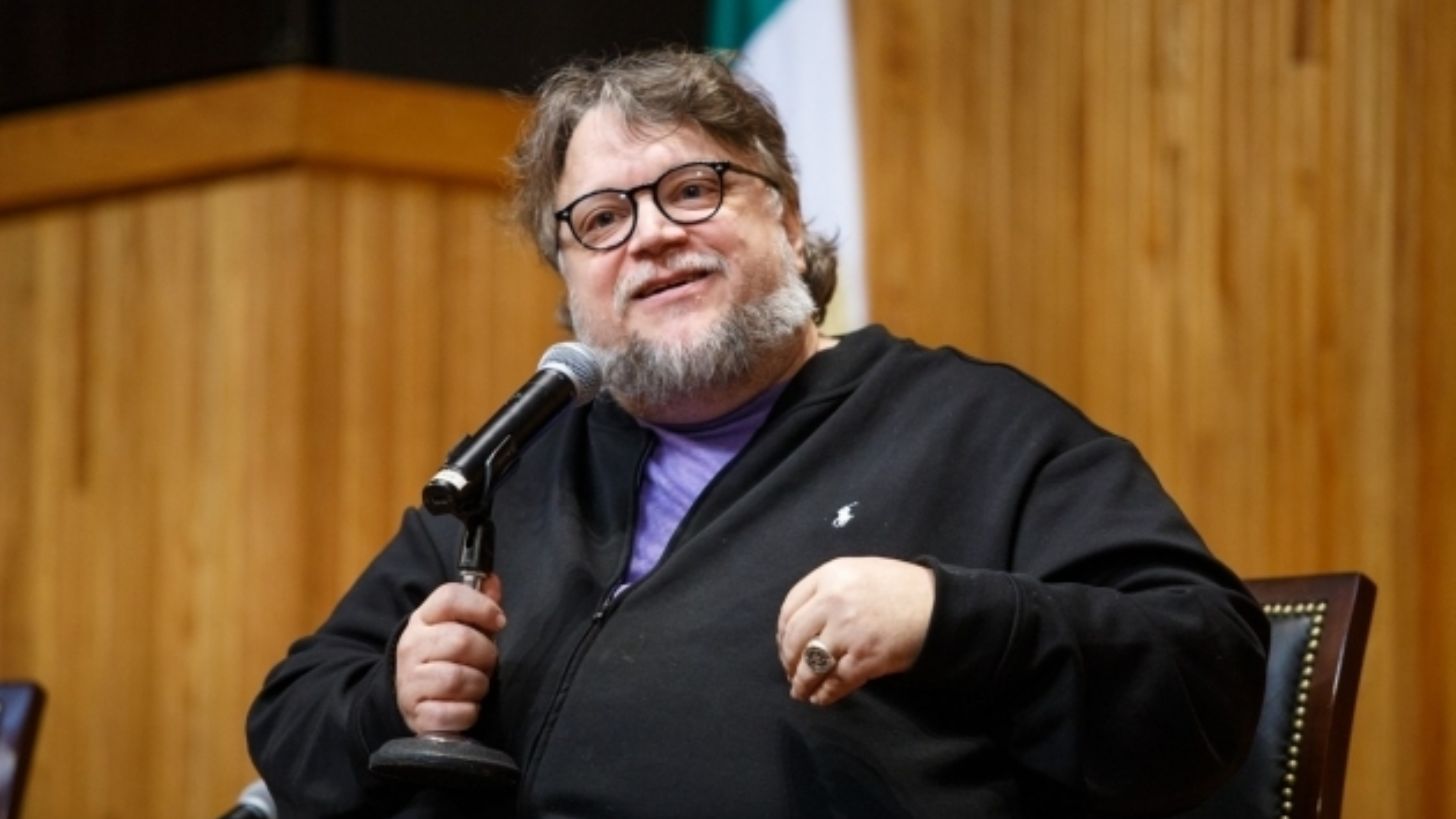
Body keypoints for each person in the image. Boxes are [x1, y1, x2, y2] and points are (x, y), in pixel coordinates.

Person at [247, 48, 1269, 818]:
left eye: (693, 190)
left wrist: (947, 616)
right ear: (568, 278)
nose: (652, 234)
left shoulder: (974, 427)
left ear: (786, 218)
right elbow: (290, 720)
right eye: (600, 220)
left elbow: (1207, 679)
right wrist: (390, 698)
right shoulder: (520, 463)